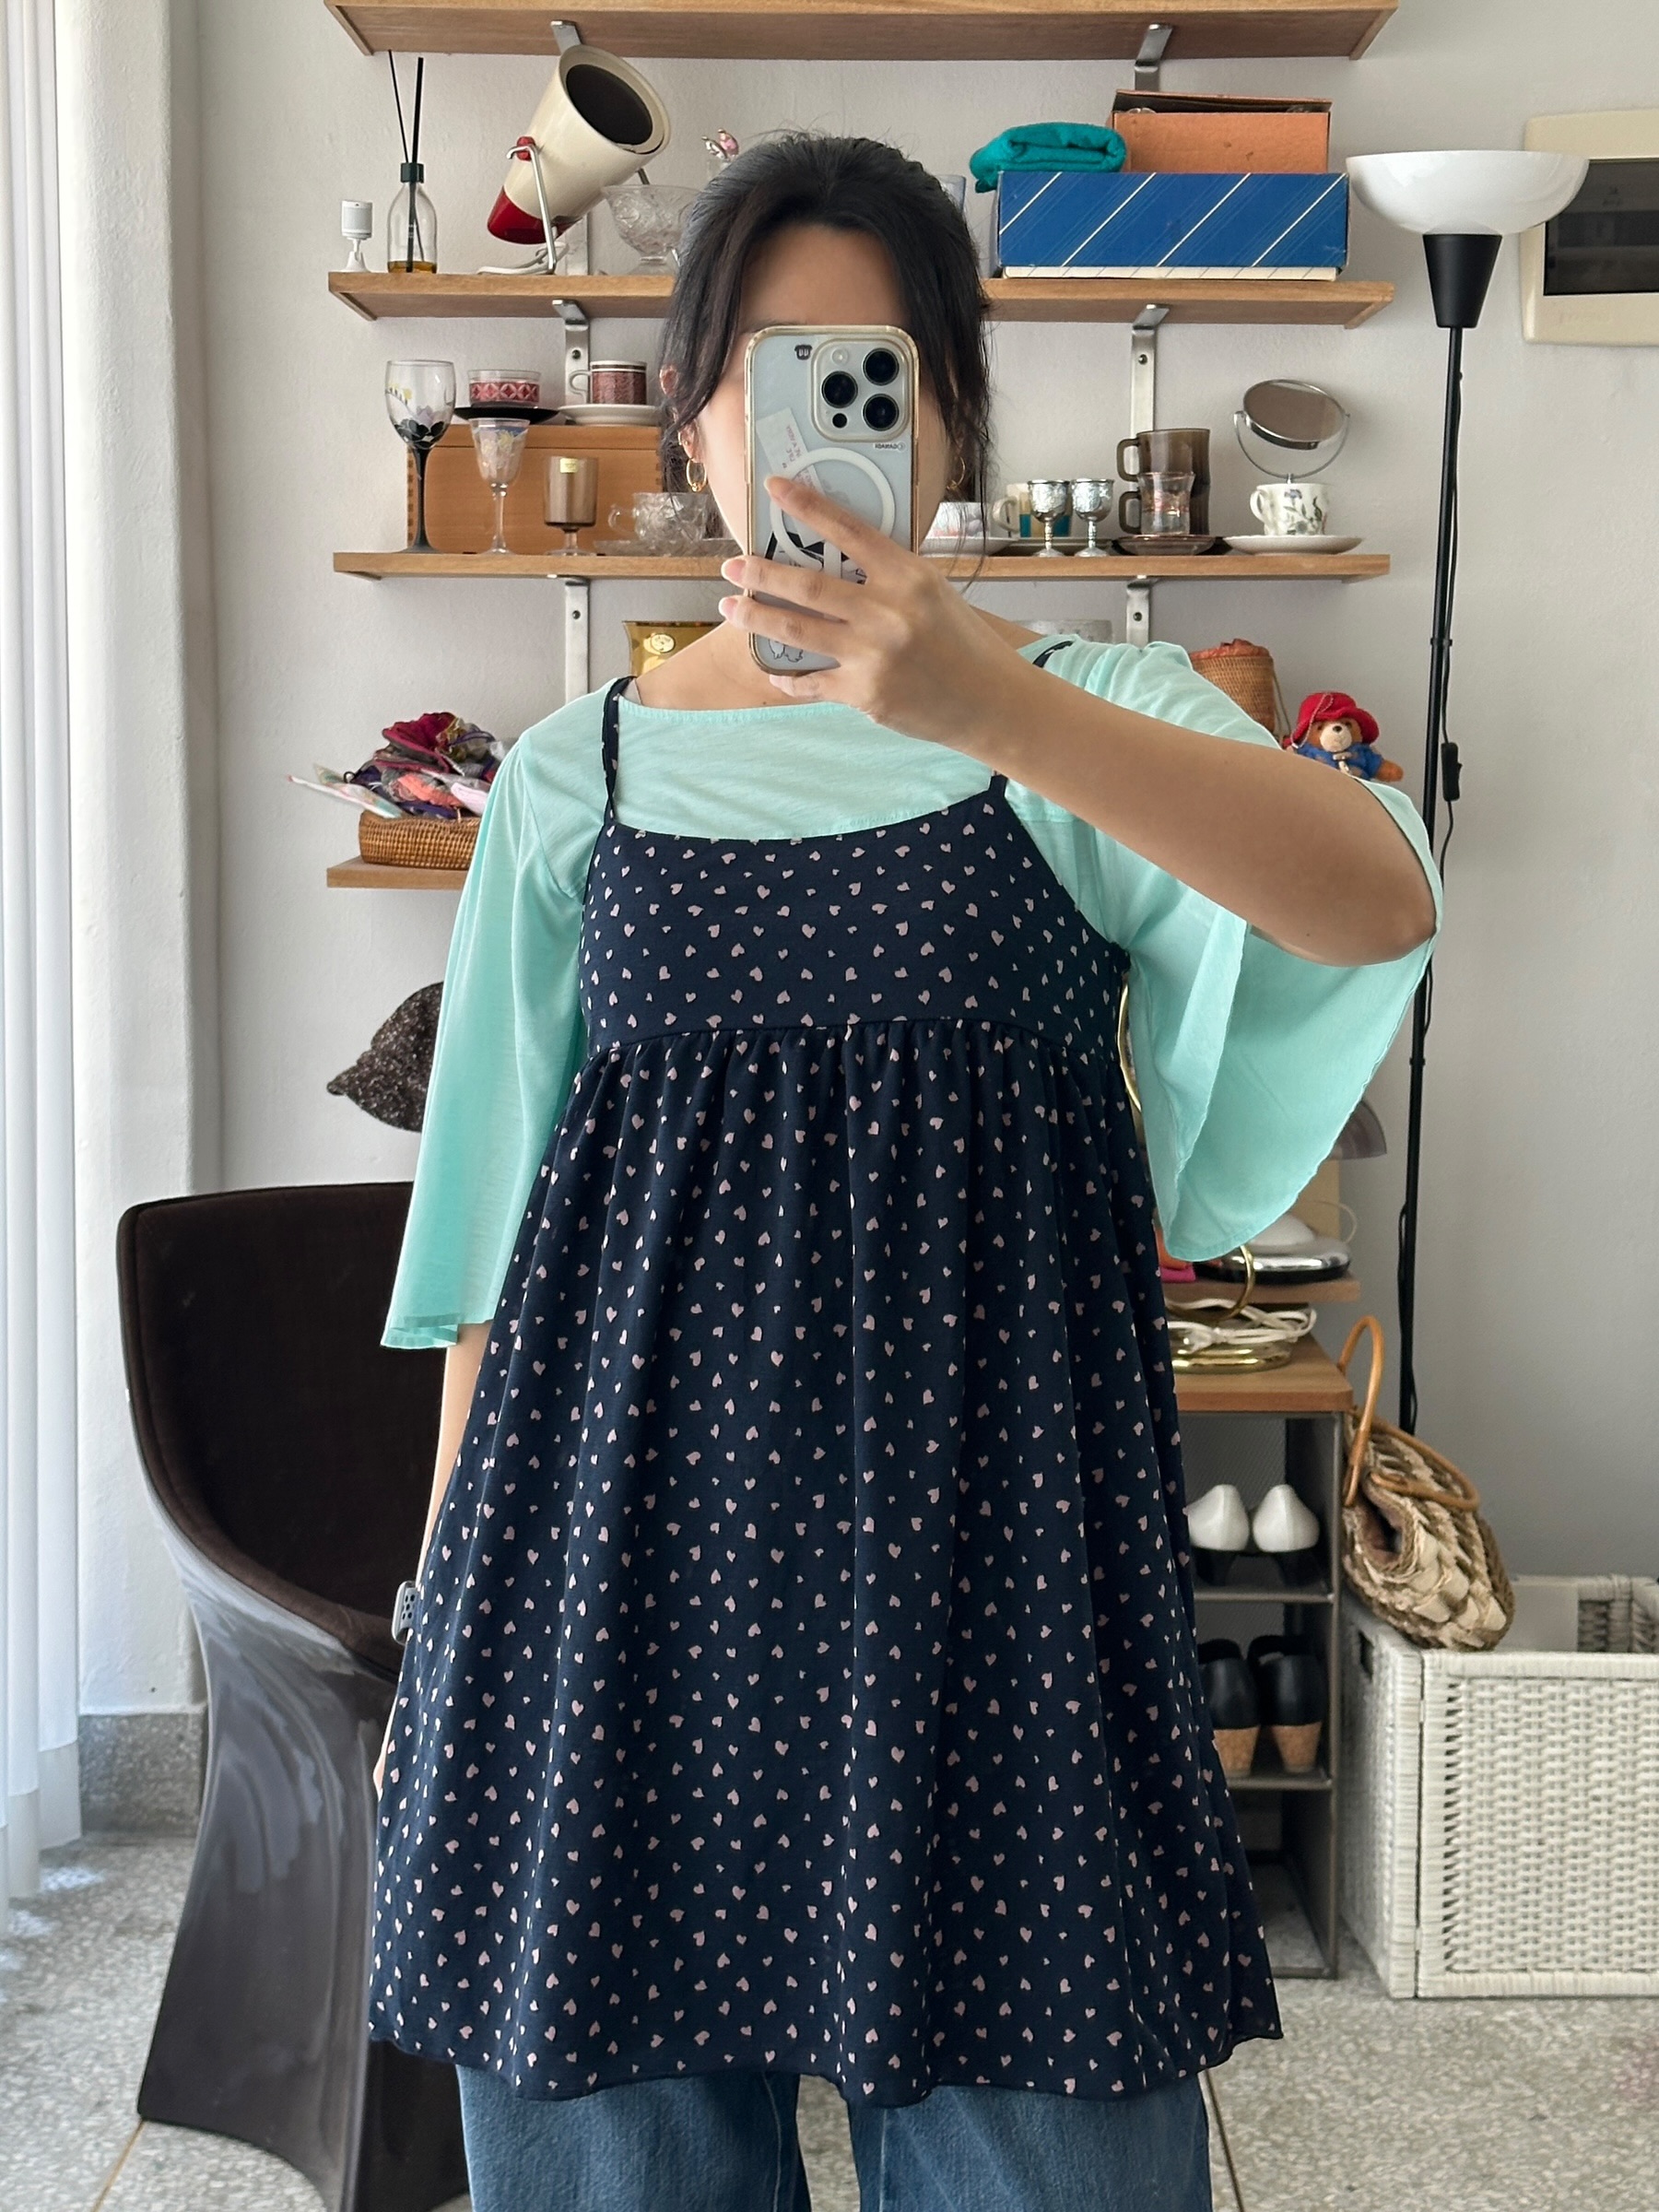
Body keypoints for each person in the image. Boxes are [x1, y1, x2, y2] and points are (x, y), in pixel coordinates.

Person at [367, 134, 1440, 2212]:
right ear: (690, 417)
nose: (806, 423)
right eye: (755, 372)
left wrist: (987, 703)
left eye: (867, 370)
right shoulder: (574, 778)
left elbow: (1376, 900)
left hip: (1000, 1595)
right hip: (610, 1596)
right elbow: (488, 1255)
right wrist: (441, 1634)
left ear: (947, 415)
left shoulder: (1089, 718)